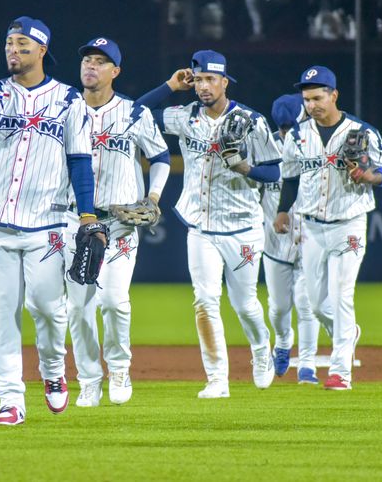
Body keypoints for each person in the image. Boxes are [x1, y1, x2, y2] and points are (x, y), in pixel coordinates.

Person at [0, 17, 100, 425]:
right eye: (8, 44)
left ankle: (53, 372)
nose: (12, 51)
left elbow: (80, 162)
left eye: (22, 44)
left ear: (41, 51)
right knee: (1, 316)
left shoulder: (70, 100)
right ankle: (10, 399)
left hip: (48, 226)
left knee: (47, 309)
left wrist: (87, 213)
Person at [152, 50, 281, 398]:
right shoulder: (183, 116)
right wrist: (169, 86)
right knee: (205, 300)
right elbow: (133, 113)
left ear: (225, 81)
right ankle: (217, 379)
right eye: (199, 79)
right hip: (201, 227)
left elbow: (275, 170)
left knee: (245, 304)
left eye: (212, 79)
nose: (204, 86)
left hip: (242, 228)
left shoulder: (251, 121)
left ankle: (260, 349)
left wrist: (246, 169)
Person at [274, 66, 382, 390]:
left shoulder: (361, 131)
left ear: (334, 95)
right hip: (313, 227)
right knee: (316, 304)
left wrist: (371, 176)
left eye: (317, 97)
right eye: (307, 99)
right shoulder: (299, 135)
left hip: (349, 224)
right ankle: (349, 332)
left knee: (342, 295)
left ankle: (341, 371)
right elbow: (289, 176)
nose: (311, 104)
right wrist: (282, 211)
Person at [65, 37, 170, 407]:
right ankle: (90, 380)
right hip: (76, 221)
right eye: (87, 60)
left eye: (100, 61)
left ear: (115, 71)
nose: (90, 66)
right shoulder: (65, 109)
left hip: (122, 222)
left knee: (113, 300)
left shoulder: (134, 113)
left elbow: (161, 157)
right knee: (77, 307)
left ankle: (120, 368)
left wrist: (153, 197)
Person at [262, 94, 322, 384]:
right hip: (275, 244)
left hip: (310, 237)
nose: (287, 131)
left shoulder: (317, 141)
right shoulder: (263, 146)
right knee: (278, 308)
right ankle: (283, 342)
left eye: (292, 125)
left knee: (307, 302)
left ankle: (307, 365)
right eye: (283, 127)